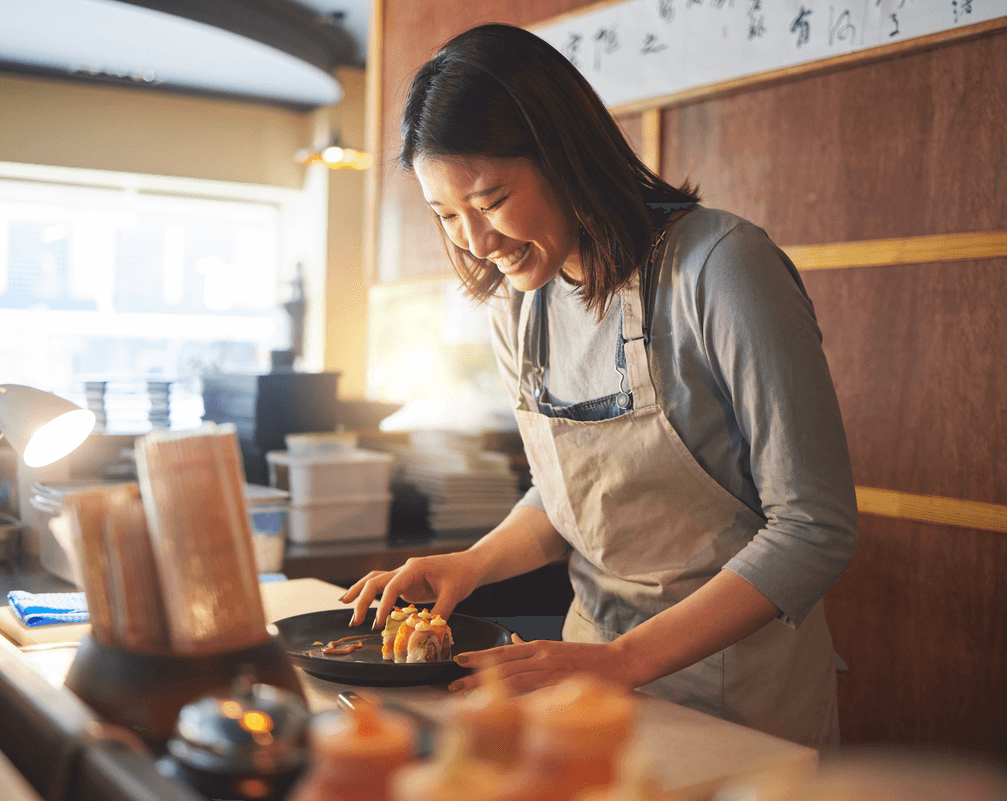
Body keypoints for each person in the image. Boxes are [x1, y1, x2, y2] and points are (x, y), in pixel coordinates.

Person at [340, 23, 857, 749]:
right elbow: (572, 498)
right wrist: (472, 563)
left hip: (736, 693)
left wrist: (627, 659)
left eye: (489, 201)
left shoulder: (722, 267)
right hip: (583, 681)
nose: (474, 243)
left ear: (565, 157)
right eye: (446, 214)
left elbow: (816, 527)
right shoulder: (520, 300)